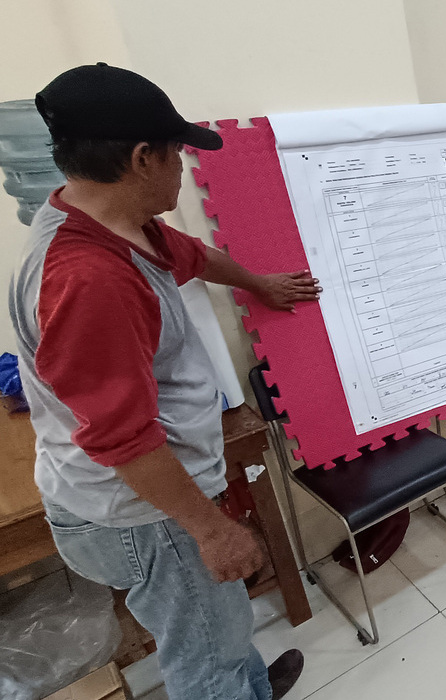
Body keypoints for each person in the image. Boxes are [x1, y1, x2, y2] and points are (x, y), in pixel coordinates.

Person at [9, 64, 313, 699]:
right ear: (143, 157)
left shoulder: (115, 222)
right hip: (141, 510)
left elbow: (194, 255)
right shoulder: (88, 279)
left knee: (220, 624)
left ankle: (249, 683)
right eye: (177, 152)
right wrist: (210, 527)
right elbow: (123, 439)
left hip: (148, 497)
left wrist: (258, 283)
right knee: (203, 651)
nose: (183, 165)